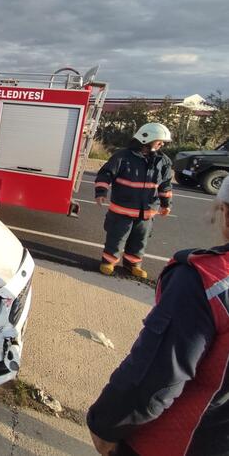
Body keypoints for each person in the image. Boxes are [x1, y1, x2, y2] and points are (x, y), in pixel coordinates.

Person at [86, 176, 229, 456]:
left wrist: (105, 425)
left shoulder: (205, 283)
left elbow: (154, 377)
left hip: (175, 443)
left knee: (135, 244)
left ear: (225, 212)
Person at [94, 123, 174, 278]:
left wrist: (166, 204)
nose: (162, 144)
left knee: (140, 240)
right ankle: (109, 262)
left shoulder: (163, 161)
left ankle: (133, 264)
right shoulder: (123, 157)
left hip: (147, 213)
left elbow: (165, 185)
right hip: (122, 211)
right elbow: (105, 174)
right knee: (116, 238)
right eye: (159, 141)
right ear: (147, 138)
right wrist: (101, 192)